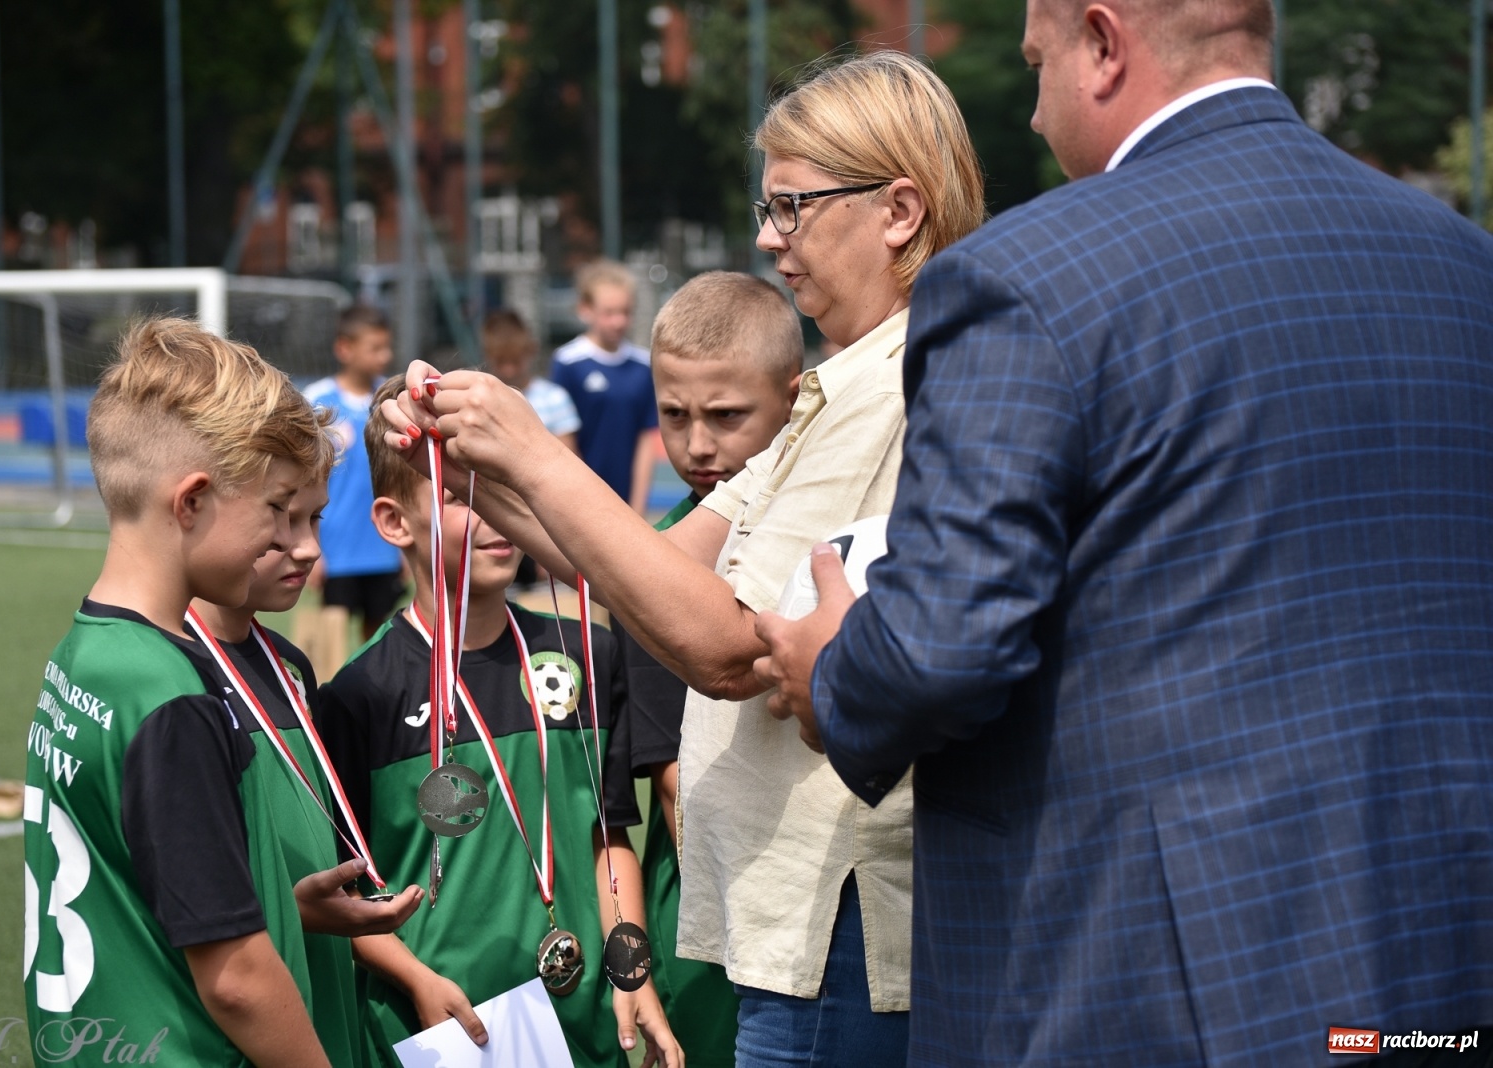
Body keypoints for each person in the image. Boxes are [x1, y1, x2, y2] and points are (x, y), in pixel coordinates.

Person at [754, 2, 1493, 1064]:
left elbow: (938, 647)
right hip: (1434, 966)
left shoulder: (1027, 278)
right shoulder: (1461, 265)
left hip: (1154, 982)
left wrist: (835, 672)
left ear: (1102, 44)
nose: (1036, 111)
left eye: (1038, 63)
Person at [378, 51, 986, 1068]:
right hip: (797, 918)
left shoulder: (896, 386)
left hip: (835, 919)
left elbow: (723, 646)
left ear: (898, 210)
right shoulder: (848, 382)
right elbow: (646, 567)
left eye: (793, 207)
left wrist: (529, 448)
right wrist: (466, 459)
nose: (766, 236)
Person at [23, 317, 416, 1068]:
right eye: (276, 509)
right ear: (193, 501)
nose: (299, 544)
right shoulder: (170, 693)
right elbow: (236, 979)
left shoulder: (84, 654)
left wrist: (285, 907)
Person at [315, 377, 683, 1068]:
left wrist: (632, 973)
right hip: (436, 1031)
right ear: (394, 521)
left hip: (583, 1024)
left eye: (500, 491)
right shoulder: (358, 694)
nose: (492, 518)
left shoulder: (587, 655)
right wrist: (418, 980)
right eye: (459, 497)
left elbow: (610, 836)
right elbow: (343, 899)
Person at [190, 465, 479, 1068]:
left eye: (314, 518)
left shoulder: (290, 667)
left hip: (320, 1011)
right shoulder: (172, 681)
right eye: (281, 518)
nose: (310, 547)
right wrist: (289, 910)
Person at [622, 271, 803, 1068]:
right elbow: (671, 788)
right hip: (717, 923)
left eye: (727, 416)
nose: (698, 445)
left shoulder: (827, 526)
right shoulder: (655, 565)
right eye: (674, 415)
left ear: (797, 401)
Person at [306, 305, 402, 643]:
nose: (384, 355)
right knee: (333, 641)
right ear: (344, 348)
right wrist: (313, 549)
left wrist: (404, 548)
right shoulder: (317, 402)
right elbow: (305, 484)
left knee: (380, 639)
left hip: (383, 546)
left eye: (387, 346)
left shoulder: (391, 399)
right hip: (336, 550)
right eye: (375, 347)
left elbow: (401, 477)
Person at [550, 260, 660, 514]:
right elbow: (562, 440)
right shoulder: (568, 362)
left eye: (625, 312)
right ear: (585, 309)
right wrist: (582, 500)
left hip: (627, 501)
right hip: (581, 502)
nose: (619, 321)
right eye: (609, 312)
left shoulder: (642, 366)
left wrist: (638, 506)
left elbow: (646, 440)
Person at [482, 308, 581, 454]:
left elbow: (569, 457)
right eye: (501, 361)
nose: (509, 370)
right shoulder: (480, 397)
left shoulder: (554, 398)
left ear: (530, 351)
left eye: (516, 361)